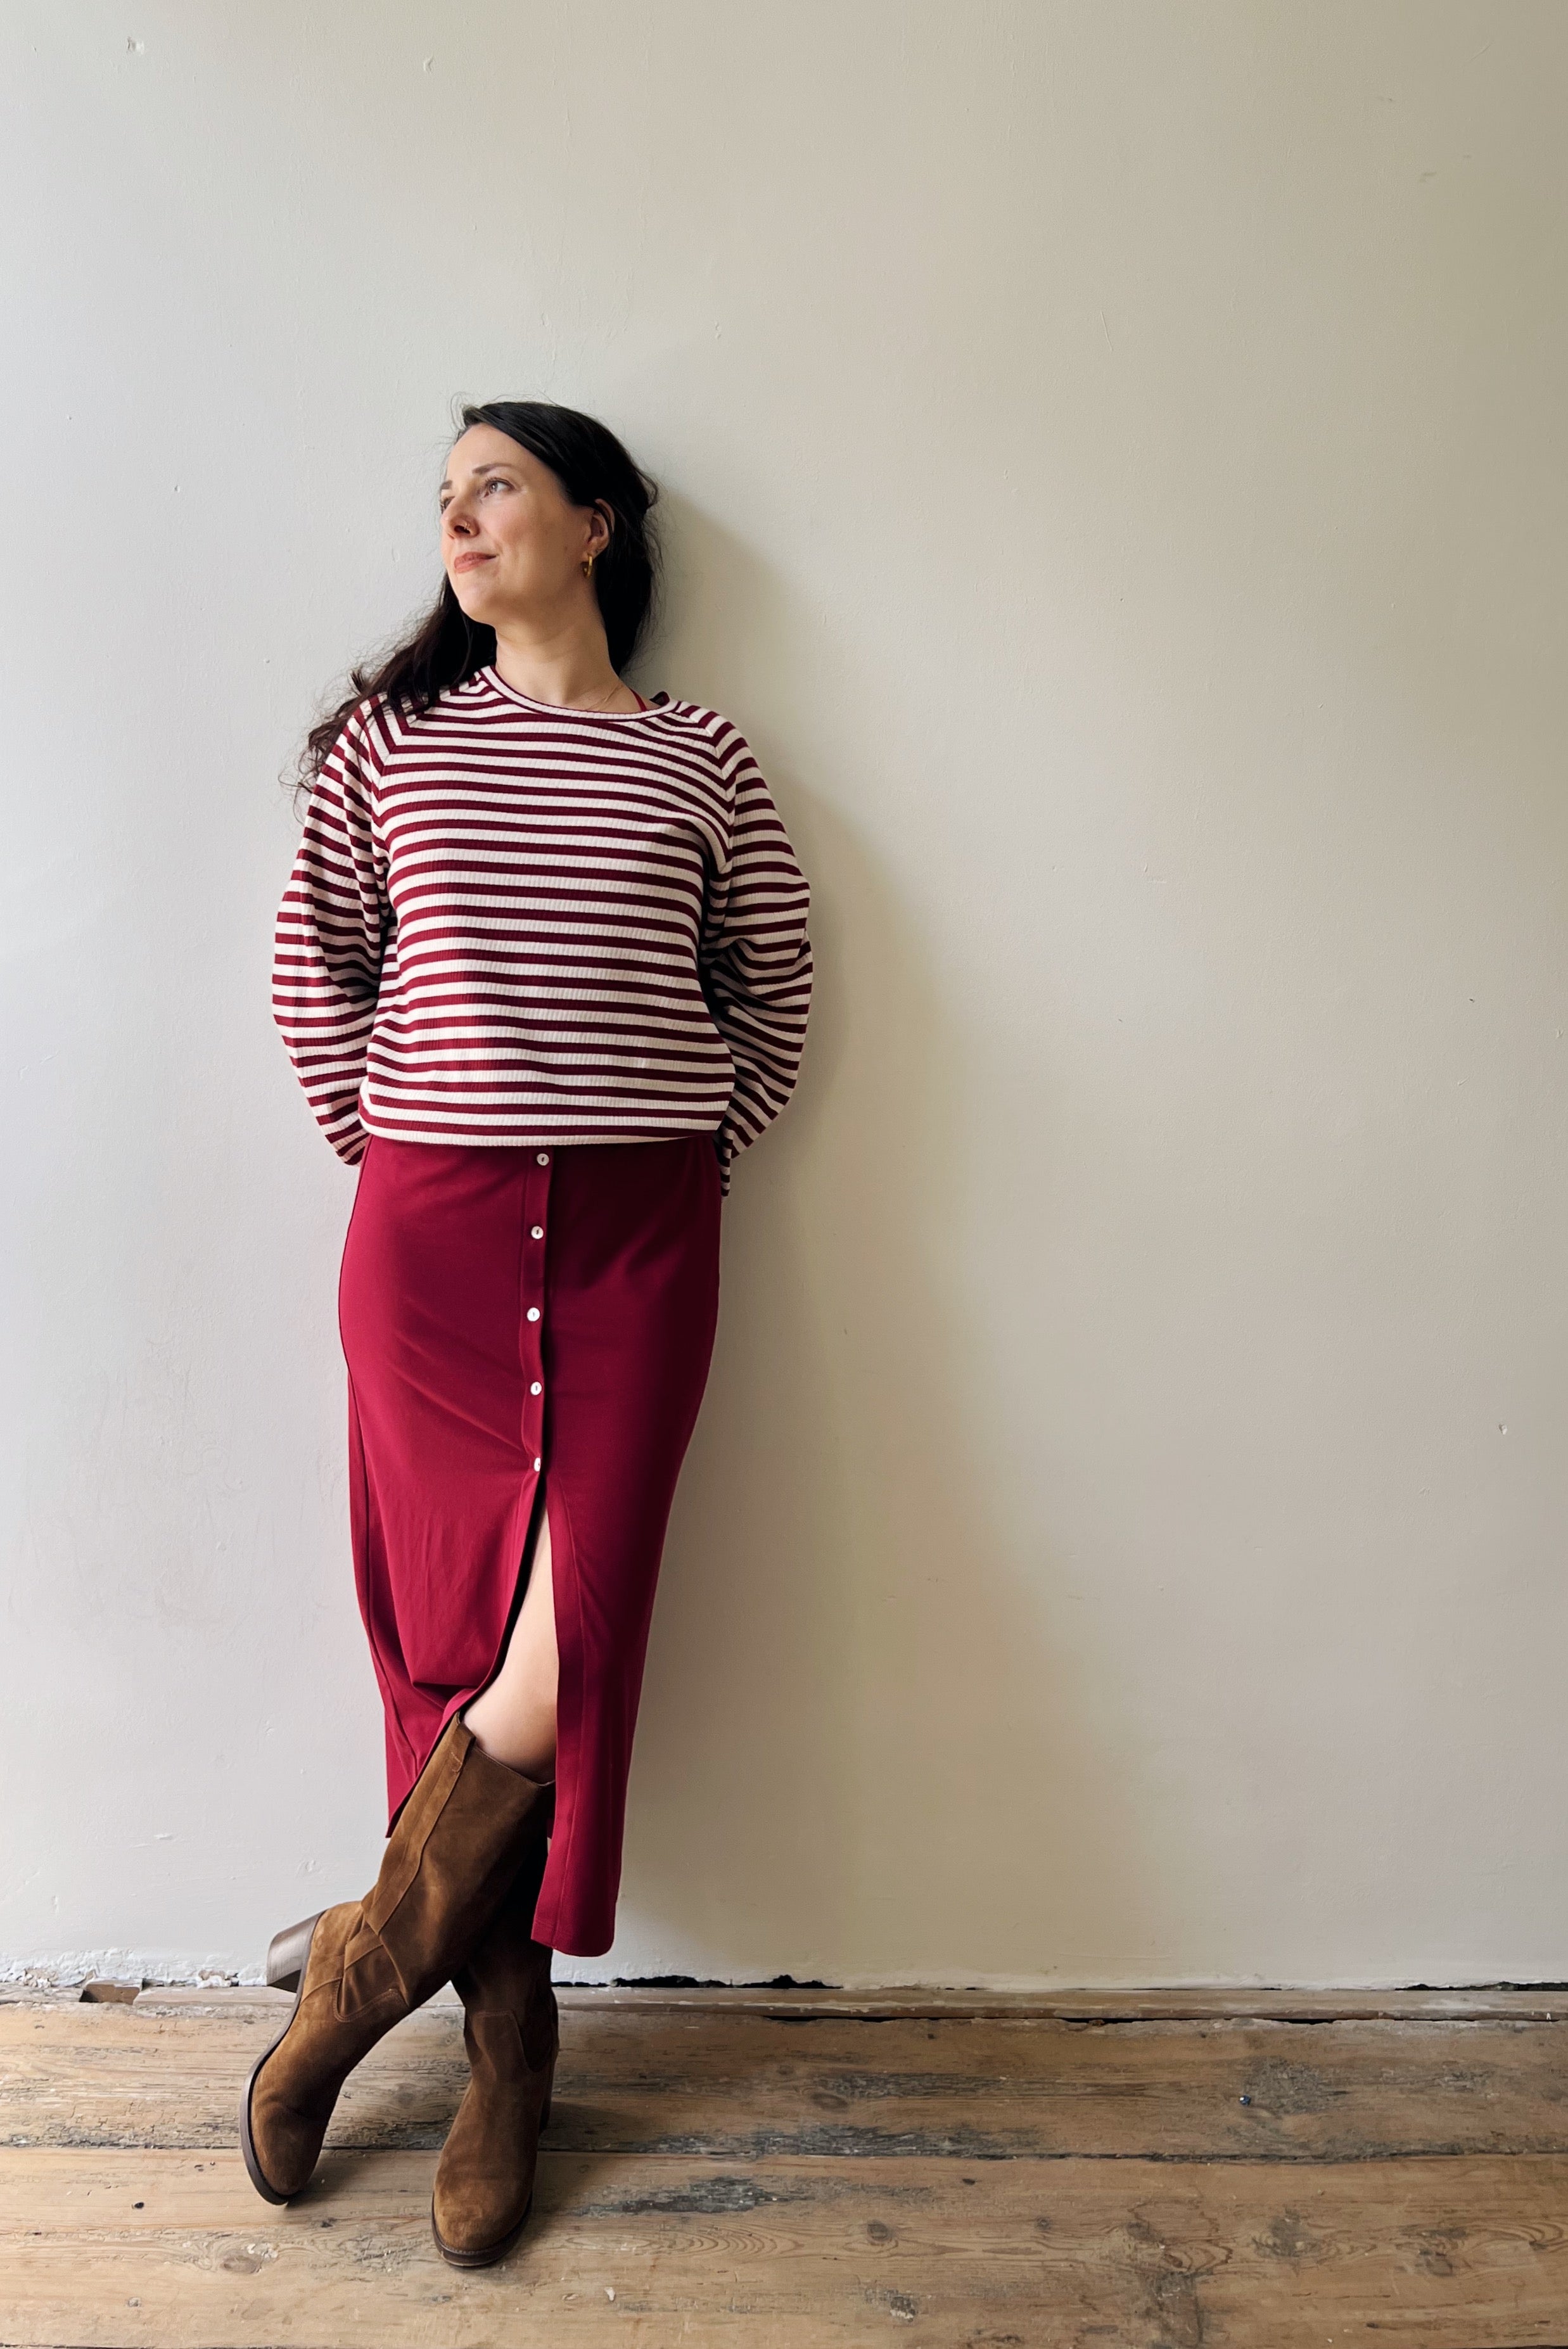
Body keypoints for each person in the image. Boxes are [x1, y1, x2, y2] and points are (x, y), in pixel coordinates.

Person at [240, 400, 813, 2266]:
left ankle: (354, 1975)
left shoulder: (702, 757)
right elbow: (314, 970)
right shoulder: (393, 747)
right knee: (443, 1646)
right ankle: (509, 2055)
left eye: (495, 483)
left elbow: (771, 992)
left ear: (595, 523)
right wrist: (415, 1143)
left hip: (642, 1242)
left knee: (558, 1664)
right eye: (444, 495)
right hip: (432, 1246)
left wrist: (675, 1150)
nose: (459, 517)